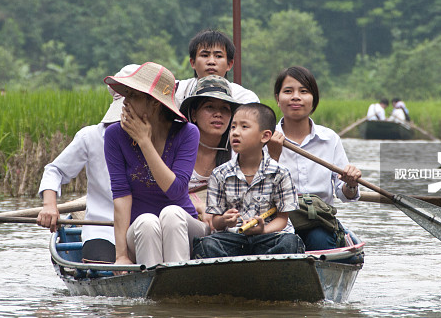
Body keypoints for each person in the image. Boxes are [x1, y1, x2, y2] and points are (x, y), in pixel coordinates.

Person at [103, 62, 208, 268]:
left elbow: (176, 192)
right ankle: (152, 292)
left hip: (183, 225)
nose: (126, 102)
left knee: (170, 214)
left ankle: (178, 284)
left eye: (134, 96)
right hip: (142, 232)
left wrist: (144, 142)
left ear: (154, 103)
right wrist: (121, 255)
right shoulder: (114, 136)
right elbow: (122, 196)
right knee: (147, 221)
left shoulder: (187, 133)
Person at [36, 64, 139, 262]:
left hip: (145, 227)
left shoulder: (162, 137)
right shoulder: (91, 136)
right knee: (101, 265)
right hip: (103, 228)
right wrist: (50, 205)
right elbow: (55, 170)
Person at [267, 66, 361, 251]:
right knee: (280, 242)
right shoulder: (265, 138)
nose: (296, 97)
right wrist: (273, 155)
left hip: (317, 221)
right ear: (278, 99)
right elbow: (255, 189)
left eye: (303, 91)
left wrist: (351, 184)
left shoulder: (329, 139)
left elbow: (344, 194)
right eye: (288, 91)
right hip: (275, 220)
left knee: (319, 239)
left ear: (313, 100)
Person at [192, 103, 304, 258]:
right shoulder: (219, 174)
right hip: (234, 238)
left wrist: (263, 229)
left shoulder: (280, 173)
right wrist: (224, 220)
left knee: (291, 242)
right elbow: (215, 221)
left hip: (269, 237)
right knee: (206, 244)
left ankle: (260, 270)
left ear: (265, 136)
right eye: (233, 127)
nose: (235, 133)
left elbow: (282, 219)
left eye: (244, 127)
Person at [179, 75, 241, 228]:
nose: (218, 114)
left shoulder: (239, 154)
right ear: (193, 114)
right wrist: (196, 205)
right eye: (210, 107)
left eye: (224, 109)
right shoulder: (176, 149)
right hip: (182, 225)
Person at [174, 29, 259, 106]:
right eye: (204, 55)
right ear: (193, 63)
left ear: (229, 64)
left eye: (218, 56)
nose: (211, 62)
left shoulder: (245, 99)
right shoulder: (176, 91)